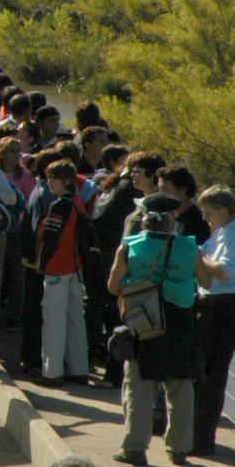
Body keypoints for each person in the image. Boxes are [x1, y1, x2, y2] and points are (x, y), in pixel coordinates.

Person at [107, 192, 225, 466]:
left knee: (138, 388)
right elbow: (206, 279)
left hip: (144, 323)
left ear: (144, 218)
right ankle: (179, 449)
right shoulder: (189, 247)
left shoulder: (128, 246)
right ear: (172, 220)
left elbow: (113, 286)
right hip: (181, 324)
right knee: (181, 389)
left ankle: (135, 449)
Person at [31, 158, 92, 386]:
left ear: (64, 180)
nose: (49, 184)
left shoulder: (59, 206)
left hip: (57, 268)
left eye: (52, 179)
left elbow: (50, 238)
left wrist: (41, 264)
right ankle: (79, 369)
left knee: (53, 323)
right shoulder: (78, 202)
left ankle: (51, 372)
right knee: (76, 320)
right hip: (76, 268)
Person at [192, 184, 235, 458]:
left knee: (212, 374)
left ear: (224, 210)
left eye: (209, 212)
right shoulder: (218, 231)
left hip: (224, 307)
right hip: (210, 303)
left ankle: (202, 438)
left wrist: (198, 257)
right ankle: (197, 435)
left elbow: (224, 272)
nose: (205, 218)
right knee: (201, 373)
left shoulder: (232, 234)